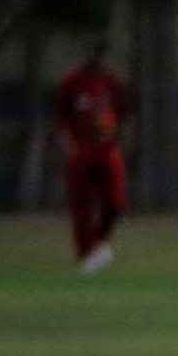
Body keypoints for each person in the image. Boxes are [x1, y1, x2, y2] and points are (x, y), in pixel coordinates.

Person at [52, 38, 130, 273]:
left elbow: (123, 116)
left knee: (115, 202)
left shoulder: (110, 82)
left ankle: (98, 241)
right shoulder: (72, 82)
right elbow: (61, 119)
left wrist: (122, 142)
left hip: (107, 151)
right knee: (82, 205)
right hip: (81, 151)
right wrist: (68, 147)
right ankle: (85, 253)